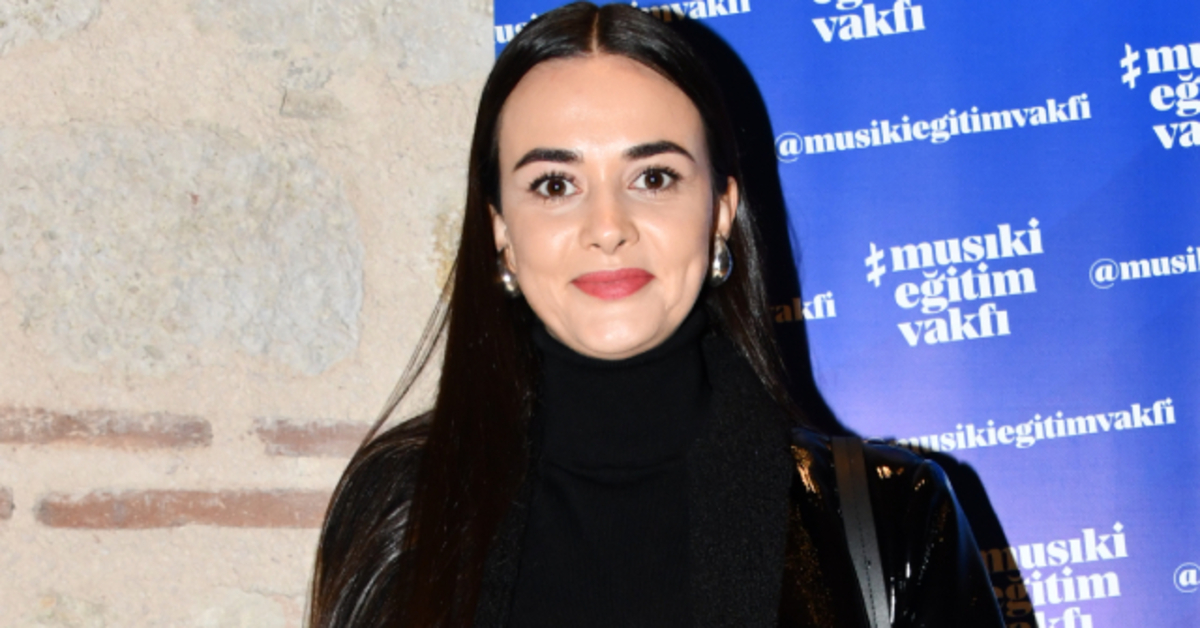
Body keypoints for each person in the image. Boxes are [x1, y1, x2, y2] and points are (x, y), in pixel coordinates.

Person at [308, 3, 1005, 627]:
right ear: (500, 230)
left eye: (653, 177)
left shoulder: (892, 518)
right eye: (555, 185)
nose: (608, 226)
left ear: (721, 212)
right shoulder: (403, 509)